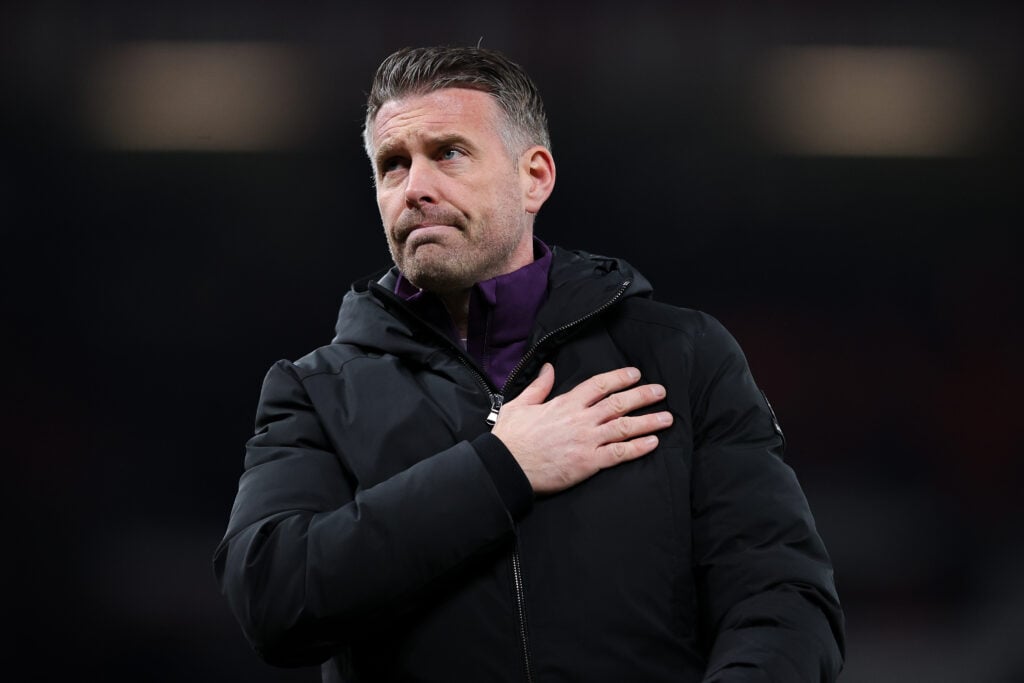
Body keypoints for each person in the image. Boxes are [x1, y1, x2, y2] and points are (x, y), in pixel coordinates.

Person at [213, 45, 845, 682]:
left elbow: (781, 598)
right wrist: (500, 468)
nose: (415, 189)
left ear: (534, 176)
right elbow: (273, 599)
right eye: (392, 165)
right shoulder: (315, 393)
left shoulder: (680, 355)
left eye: (448, 154)